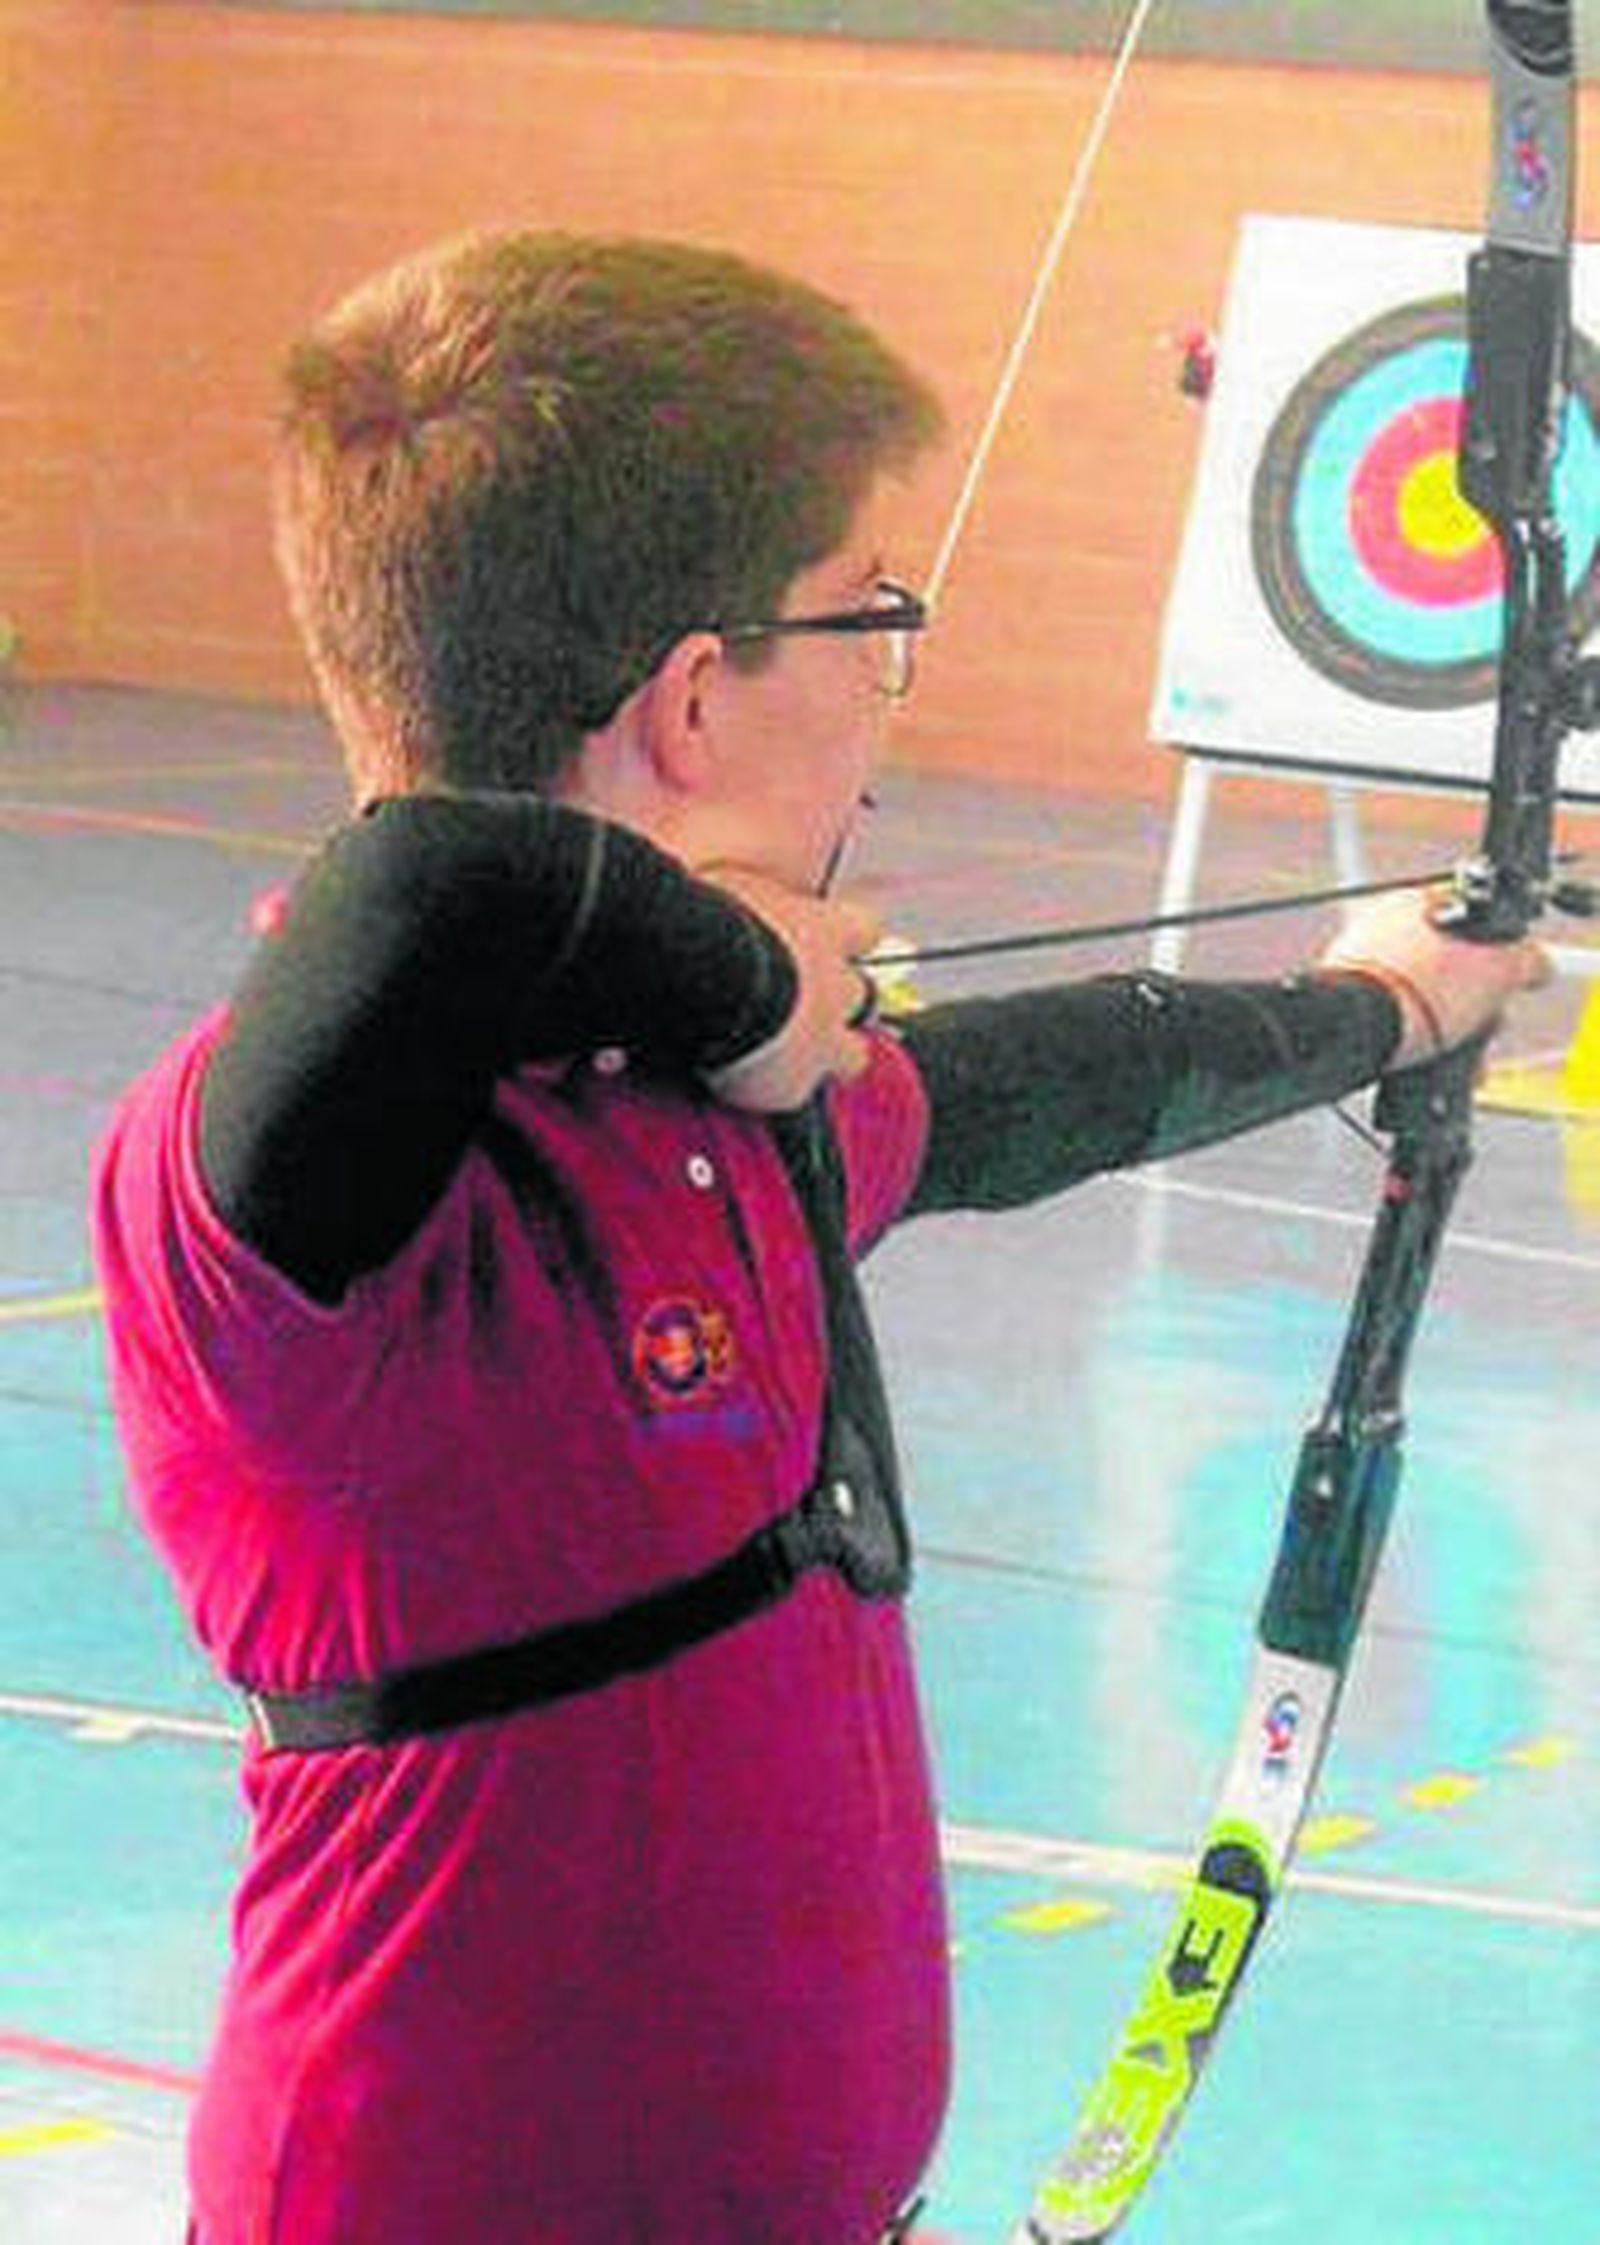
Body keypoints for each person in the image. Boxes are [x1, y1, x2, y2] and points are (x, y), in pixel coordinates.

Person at [90, 231, 1543, 2245]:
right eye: (874, 620)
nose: (887, 686)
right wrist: (736, 970)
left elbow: (1020, 1093)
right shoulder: (294, 1190)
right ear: (695, 697)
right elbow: (425, 889)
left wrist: (1373, 1008)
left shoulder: (711, 1115)